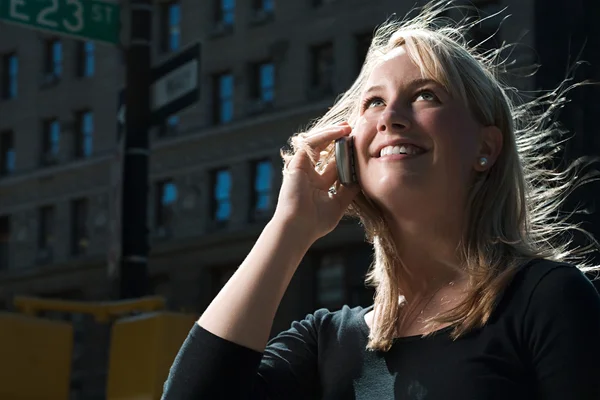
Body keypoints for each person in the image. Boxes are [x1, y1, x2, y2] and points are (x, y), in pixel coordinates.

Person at [162, 1, 600, 398]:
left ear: (486, 148)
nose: (390, 117)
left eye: (426, 95)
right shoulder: (324, 341)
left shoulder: (547, 299)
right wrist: (288, 230)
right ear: (349, 149)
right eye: (373, 102)